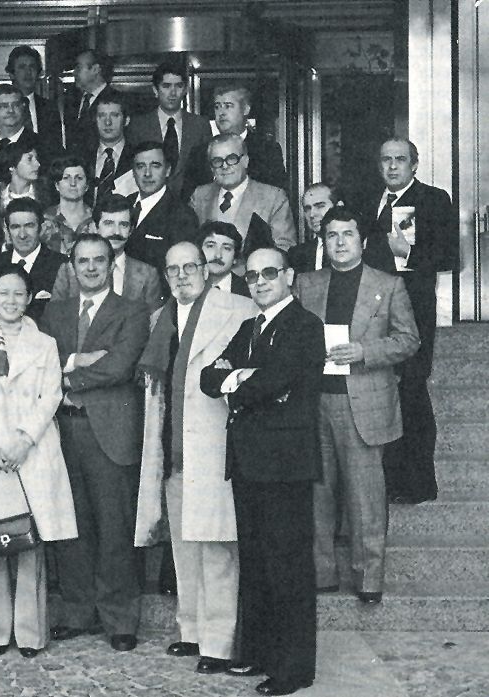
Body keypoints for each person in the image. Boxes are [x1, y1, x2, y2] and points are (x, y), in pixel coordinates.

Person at [201, 246, 324, 696]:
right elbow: (207, 378)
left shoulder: (304, 326)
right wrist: (240, 379)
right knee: (255, 563)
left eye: (269, 273)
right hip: (249, 461)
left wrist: (237, 379)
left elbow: (277, 379)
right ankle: (256, 652)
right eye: (251, 276)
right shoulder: (249, 326)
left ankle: (294, 669)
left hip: (285, 464)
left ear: (289, 276)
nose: (259, 281)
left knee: (287, 565)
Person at [134, 241, 256, 675]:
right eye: (173, 269)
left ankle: (219, 642)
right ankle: (191, 631)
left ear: (205, 270)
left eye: (190, 267)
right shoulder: (159, 318)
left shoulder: (238, 309)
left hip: (216, 447)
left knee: (218, 550)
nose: (182, 275)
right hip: (173, 450)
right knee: (184, 550)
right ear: (166, 276)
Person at [0, 264, 77, 657]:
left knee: (28, 544)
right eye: (3, 293)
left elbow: (50, 396)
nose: (10, 301)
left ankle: (30, 634)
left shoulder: (45, 344)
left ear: (29, 298)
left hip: (30, 453)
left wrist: (24, 441)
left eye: (18, 294)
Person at [295, 206, 419, 604]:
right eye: (332, 235)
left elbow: (409, 340)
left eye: (348, 234)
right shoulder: (306, 284)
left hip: (363, 403)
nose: (340, 242)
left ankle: (369, 578)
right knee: (317, 494)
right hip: (314, 401)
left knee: (365, 497)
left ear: (362, 241)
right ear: (323, 240)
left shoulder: (388, 284)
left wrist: (365, 350)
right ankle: (321, 573)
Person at [38, 232, 151, 652]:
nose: (90, 268)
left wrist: (68, 375)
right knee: (71, 525)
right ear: (71, 265)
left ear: (110, 264)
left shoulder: (133, 310)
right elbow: (41, 362)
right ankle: (78, 612)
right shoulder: (55, 312)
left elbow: (121, 366)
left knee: (114, 527)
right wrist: (81, 361)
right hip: (62, 430)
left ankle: (119, 619)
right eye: (82, 261)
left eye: (98, 261)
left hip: (108, 433)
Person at [361, 138, 455, 505]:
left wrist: (409, 252)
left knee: (412, 391)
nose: (393, 167)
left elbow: (449, 256)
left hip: (413, 313)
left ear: (414, 165)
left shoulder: (434, 199)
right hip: (372, 311)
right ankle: (385, 481)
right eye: (386, 160)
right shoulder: (369, 200)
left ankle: (417, 484)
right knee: (380, 394)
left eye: (400, 160)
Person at [189, 134, 297, 262]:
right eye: (217, 161)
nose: (225, 166)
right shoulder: (199, 196)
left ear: (246, 161)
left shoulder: (273, 197)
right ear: (211, 168)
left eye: (231, 158)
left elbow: (284, 248)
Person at [51, 194, 163, 310]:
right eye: (109, 223)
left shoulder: (148, 274)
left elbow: (153, 323)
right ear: (95, 227)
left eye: (123, 225)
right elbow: (55, 317)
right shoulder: (69, 271)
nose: (116, 231)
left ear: (131, 230)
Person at [126, 61, 212, 197]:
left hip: (191, 205)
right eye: (166, 86)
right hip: (150, 203)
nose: (172, 93)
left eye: (178, 86)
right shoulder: (138, 126)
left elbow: (206, 172)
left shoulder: (200, 125)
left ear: (185, 90)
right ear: (155, 90)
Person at [122, 140, 200, 280]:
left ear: (168, 170)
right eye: (140, 166)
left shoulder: (182, 215)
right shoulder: (125, 204)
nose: (147, 173)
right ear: (133, 172)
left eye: (155, 166)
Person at [0, 198, 66, 322]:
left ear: (41, 228)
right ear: (7, 230)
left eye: (29, 226)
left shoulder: (61, 265)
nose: (22, 235)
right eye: (15, 227)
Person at [0, 141, 53, 253]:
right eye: (29, 159)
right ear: (12, 167)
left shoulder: (48, 199)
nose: (37, 164)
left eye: (36, 159)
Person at [78, 93, 133, 205]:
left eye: (114, 115)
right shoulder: (82, 157)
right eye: (102, 116)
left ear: (126, 120)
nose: (107, 122)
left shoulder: (136, 157)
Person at [66, 49, 122, 154]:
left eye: (78, 68)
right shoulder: (70, 100)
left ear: (96, 69)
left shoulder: (116, 100)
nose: (74, 73)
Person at [6, 45, 63, 144]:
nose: (28, 72)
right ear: (12, 74)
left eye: (32, 67)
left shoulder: (50, 108)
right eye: (22, 67)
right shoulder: (2, 106)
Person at [43, 156, 94, 255]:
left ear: (87, 186)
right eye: (66, 178)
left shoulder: (96, 218)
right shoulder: (44, 219)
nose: (73, 183)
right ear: (57, 185)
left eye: (79, 178)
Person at [289, 183, 340, 274]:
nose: (312, 214)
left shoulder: (355, 248)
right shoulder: (297, 255)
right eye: (307, 209)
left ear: (338, 206)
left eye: (320, 206)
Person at [199, 221, 250, 297]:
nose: (218, 255)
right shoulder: (184, 285)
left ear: (235, 258)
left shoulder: (249, 292)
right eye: (210, 246)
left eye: (226, 248)